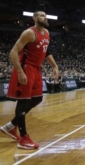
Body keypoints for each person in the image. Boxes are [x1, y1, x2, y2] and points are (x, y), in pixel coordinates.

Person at [0, 10, 59, 150]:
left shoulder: (47, 33)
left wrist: (55, 66)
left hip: (37, 70)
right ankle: (23, 138)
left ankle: (10, 126)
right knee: (23, 101)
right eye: (41, 15)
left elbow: (46, 51)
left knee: (37, 99)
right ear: (34, 18)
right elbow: (13, 52)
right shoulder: (29, 33)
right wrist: (20, 71)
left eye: (45, 15)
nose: (44, 17)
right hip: (26, 68)